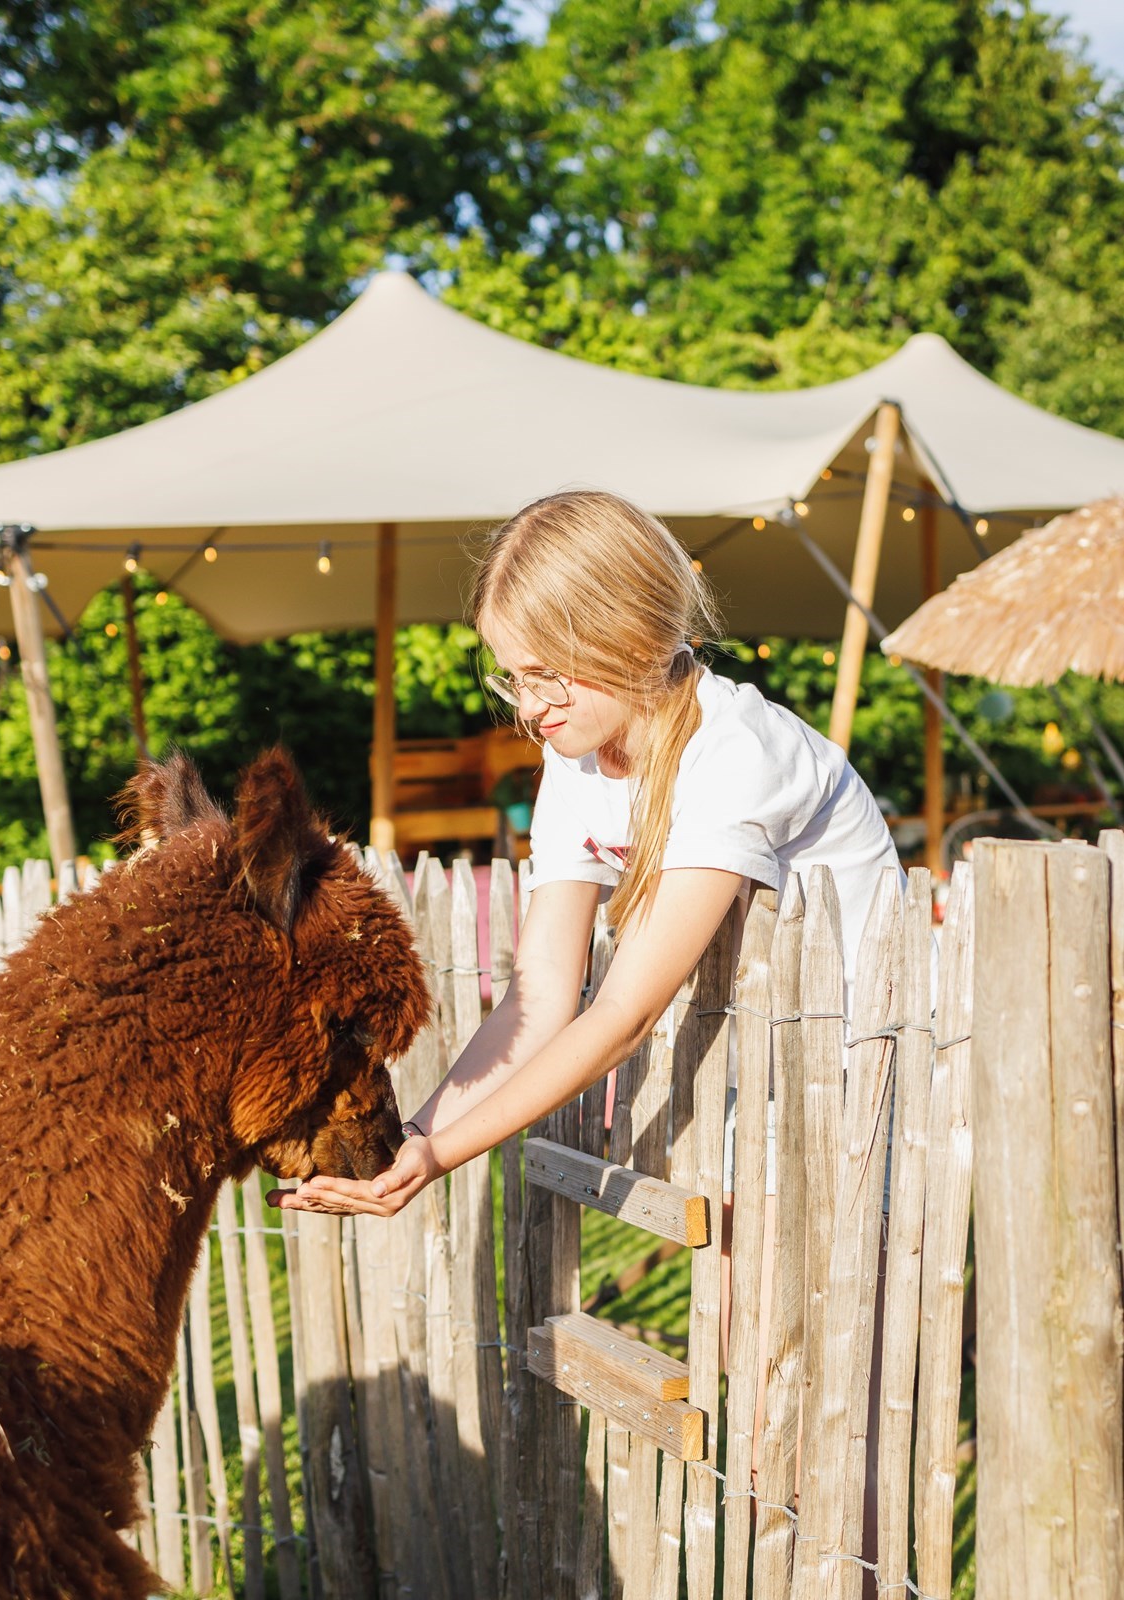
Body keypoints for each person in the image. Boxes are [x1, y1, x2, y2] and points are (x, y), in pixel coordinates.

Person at [268, 488, 901, 1480]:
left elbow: (623, 1013)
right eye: (511, 675)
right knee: (758, 1388)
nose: (526, 705)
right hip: (760, 1089)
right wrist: (411, 1139)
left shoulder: (736, 756)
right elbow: (539, 996)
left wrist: (438, 1155)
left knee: (836, 1402)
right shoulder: (575, 759)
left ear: (631, 633)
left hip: (859, 1087)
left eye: (546, 673)